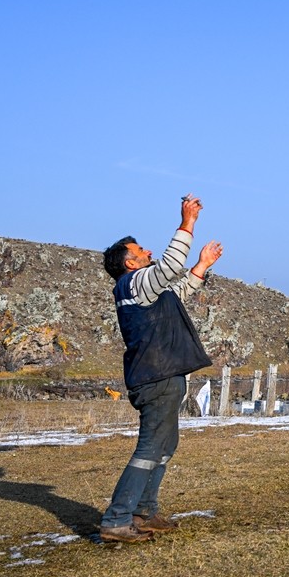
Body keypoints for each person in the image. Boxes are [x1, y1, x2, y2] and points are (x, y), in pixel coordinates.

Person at [98, 193, 223, 543]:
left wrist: (201, 266)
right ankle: (117, 519)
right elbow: (169, 267)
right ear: (131, 264)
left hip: (163, 376)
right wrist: (187, 223)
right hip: (157, 378)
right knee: (150, 448)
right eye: (140, 252)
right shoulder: (136, 282)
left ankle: (144, 512)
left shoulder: (140, 289)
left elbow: (177, 291)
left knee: (165, 446)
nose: (148, 252)